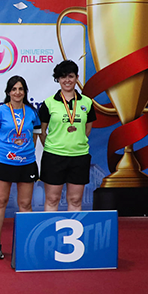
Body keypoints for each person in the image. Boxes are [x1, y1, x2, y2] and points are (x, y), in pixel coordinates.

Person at [0, 75, 41, 260]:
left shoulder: (32, 112)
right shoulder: (0, 112)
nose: (17, 92)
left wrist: (26, 153)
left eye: (21, 89)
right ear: (8, 92)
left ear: (25, 92)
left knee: (25, 204)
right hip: (3, 161)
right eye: (14, 89)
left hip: (26, 163)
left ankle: (27, 242)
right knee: (0, 201)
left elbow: (34, 137)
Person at [39, 60, 96, 212]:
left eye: (70, 76)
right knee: (52, 199)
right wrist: (55, 145)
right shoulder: (49, 103)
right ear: (58, 79)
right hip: (54, 156)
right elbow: (42, 132)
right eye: (63, 77)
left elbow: (87, 129)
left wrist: (75, 142)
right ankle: (50, 233)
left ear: (77, 77)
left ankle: (72, 233)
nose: (67, 80)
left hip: (79, 156)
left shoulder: (87, 103)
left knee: (75, 200)